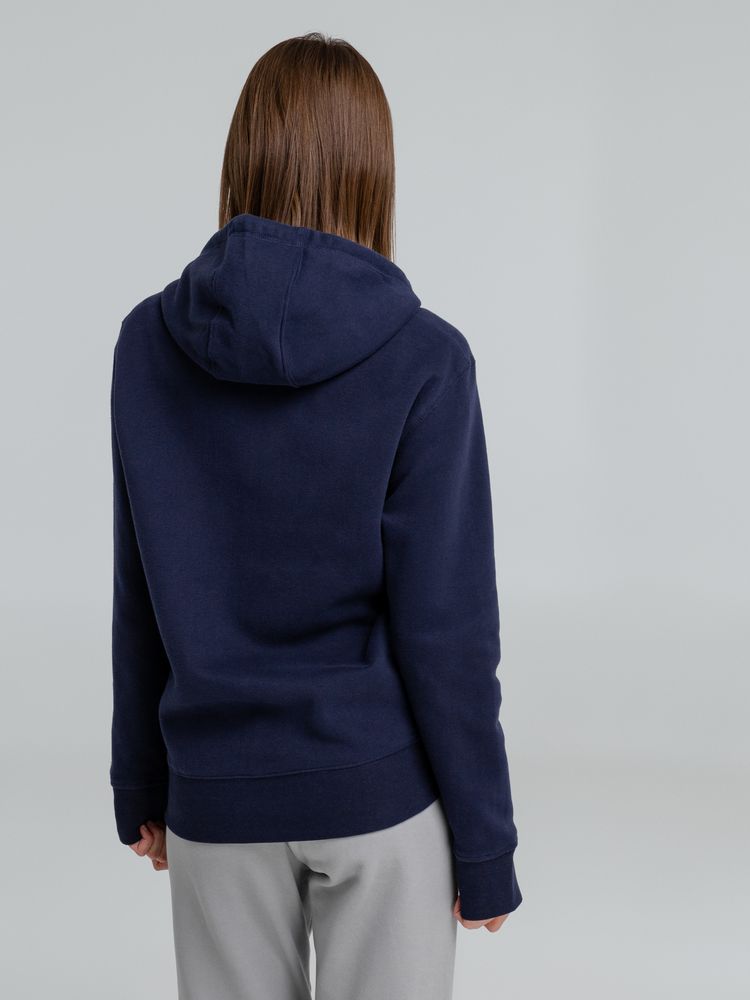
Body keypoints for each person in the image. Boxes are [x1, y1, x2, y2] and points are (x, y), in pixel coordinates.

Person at [110, 31, 522, 1000]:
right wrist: (485, 841)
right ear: (372, 172)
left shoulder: (147, 343)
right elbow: (448, 628)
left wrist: (141, 781)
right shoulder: (426, 357)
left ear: (242, 156)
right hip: (376, 790)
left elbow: (140, 584)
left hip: (216, 797)